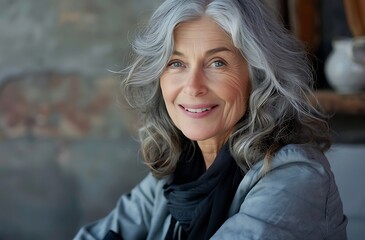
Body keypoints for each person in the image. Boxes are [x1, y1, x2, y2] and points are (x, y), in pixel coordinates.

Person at [74, 0, 348, 239]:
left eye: (217, 63)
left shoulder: (297, 177)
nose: (193, 86)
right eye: (176, 63)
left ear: (258, 76)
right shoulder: (177, 171)